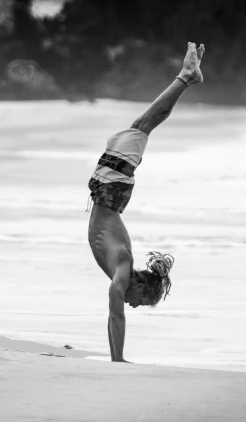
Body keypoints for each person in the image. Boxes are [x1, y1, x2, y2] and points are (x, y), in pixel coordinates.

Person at [87, 42, 205, 362]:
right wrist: (118, 360)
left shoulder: (122, 268)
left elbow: (113, 311)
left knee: (142, 126)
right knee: (144, 126)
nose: (135, 304)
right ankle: (186, 77)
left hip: (110, 193)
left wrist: (115, 358)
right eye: (142, 300)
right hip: (110, 190)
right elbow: (116, 313)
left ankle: (187, 76)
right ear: (139, 283)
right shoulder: (123, 267)